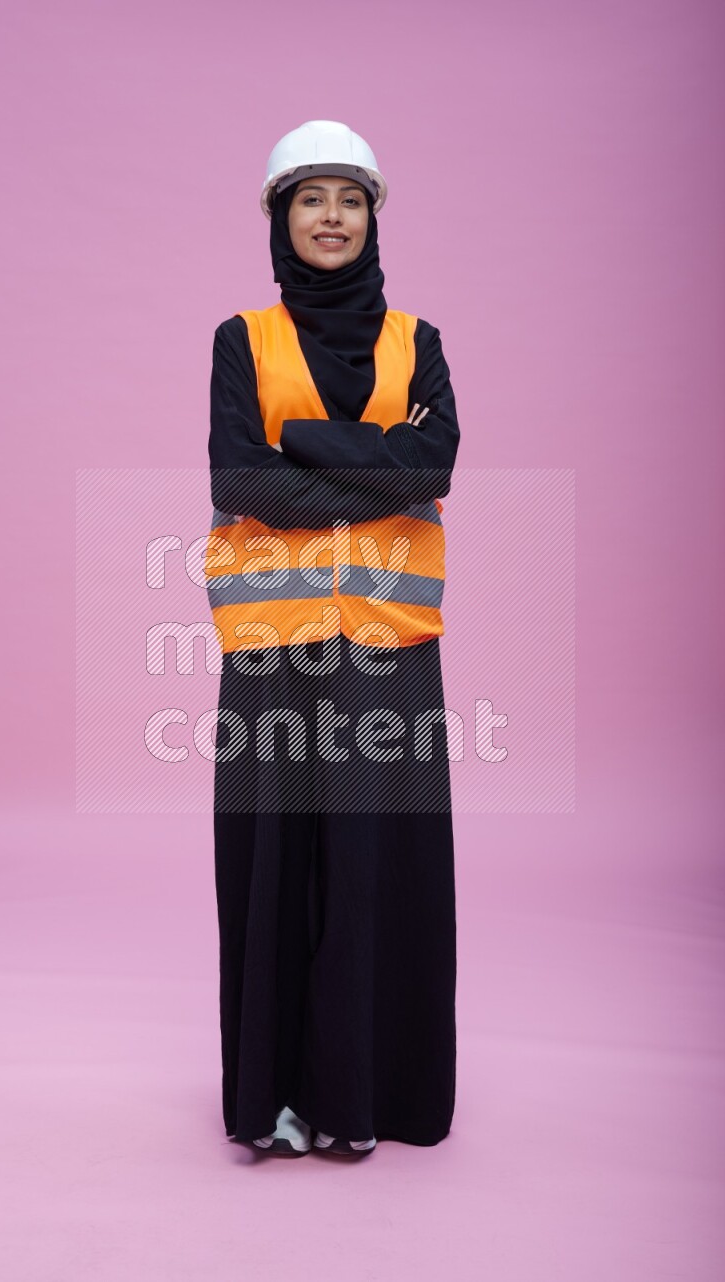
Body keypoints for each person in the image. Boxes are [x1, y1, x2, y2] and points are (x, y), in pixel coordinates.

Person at [205, 120, 461, 1158]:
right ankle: (271, 1100)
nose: (331, 217)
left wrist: (301, 446)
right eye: (310, 198)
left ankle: (364, 1101)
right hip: (274, 645)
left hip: (389, 645)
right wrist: (373, 462)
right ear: (280, 216)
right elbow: (239, 479)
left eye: (350, 199)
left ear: (372, 218)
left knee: (374, 861)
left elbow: (433, 467)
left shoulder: (418, 341)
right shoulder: (241, 340)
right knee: (274, 859)